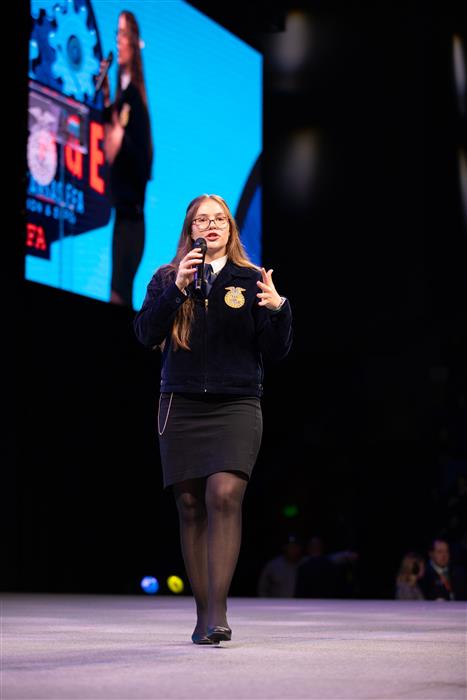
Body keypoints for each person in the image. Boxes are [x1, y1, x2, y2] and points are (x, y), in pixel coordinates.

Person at [134, 193, 292, 644]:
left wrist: (279, 310)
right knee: (189, 507)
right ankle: (203, 615)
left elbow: (275, 351)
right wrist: (176, 289)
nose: (212, 225)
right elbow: (145, 333)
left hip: (236, 404)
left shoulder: (250, 278)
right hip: (180, 404)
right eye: (202, 220)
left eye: (220, 219)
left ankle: (218, 612)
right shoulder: (167, 276)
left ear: (231, 228)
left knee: (223, 496)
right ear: (190, 230)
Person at [101, 11, 152, 308]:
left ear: (133, 40)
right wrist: (108, 101)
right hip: (125, 219)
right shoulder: (126, 97)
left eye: (123, 34)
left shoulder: (134, 100)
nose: (118, 41)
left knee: (119, 296)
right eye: (116, 34)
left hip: (131, 223)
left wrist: (116, 125)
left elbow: (117, 150)